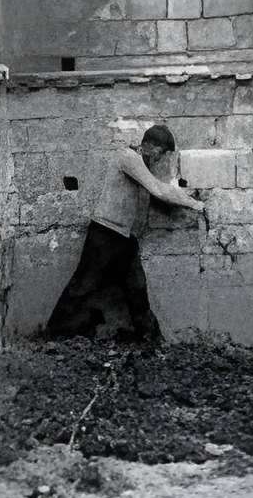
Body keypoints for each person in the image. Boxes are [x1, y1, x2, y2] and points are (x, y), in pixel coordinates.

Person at [45, 123, 207, 346]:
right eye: (160, 153)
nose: (159, 160)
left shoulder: (141, 164)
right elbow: (158, 190)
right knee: (82, 286)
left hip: (124, 238)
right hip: (104, 234)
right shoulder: (127, 157)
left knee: (137, 290)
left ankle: (151, 340)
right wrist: (195, 204)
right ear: (149, 145)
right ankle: (52, 336)